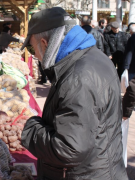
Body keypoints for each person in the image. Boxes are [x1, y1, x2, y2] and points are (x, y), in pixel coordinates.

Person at [20, 7, 128, 179]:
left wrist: (29, 129)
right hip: (99, 167)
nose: (35, 57)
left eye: (33, 50)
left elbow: (68, 149)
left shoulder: (78, 78)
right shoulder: (91, 56)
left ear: (44, 44)